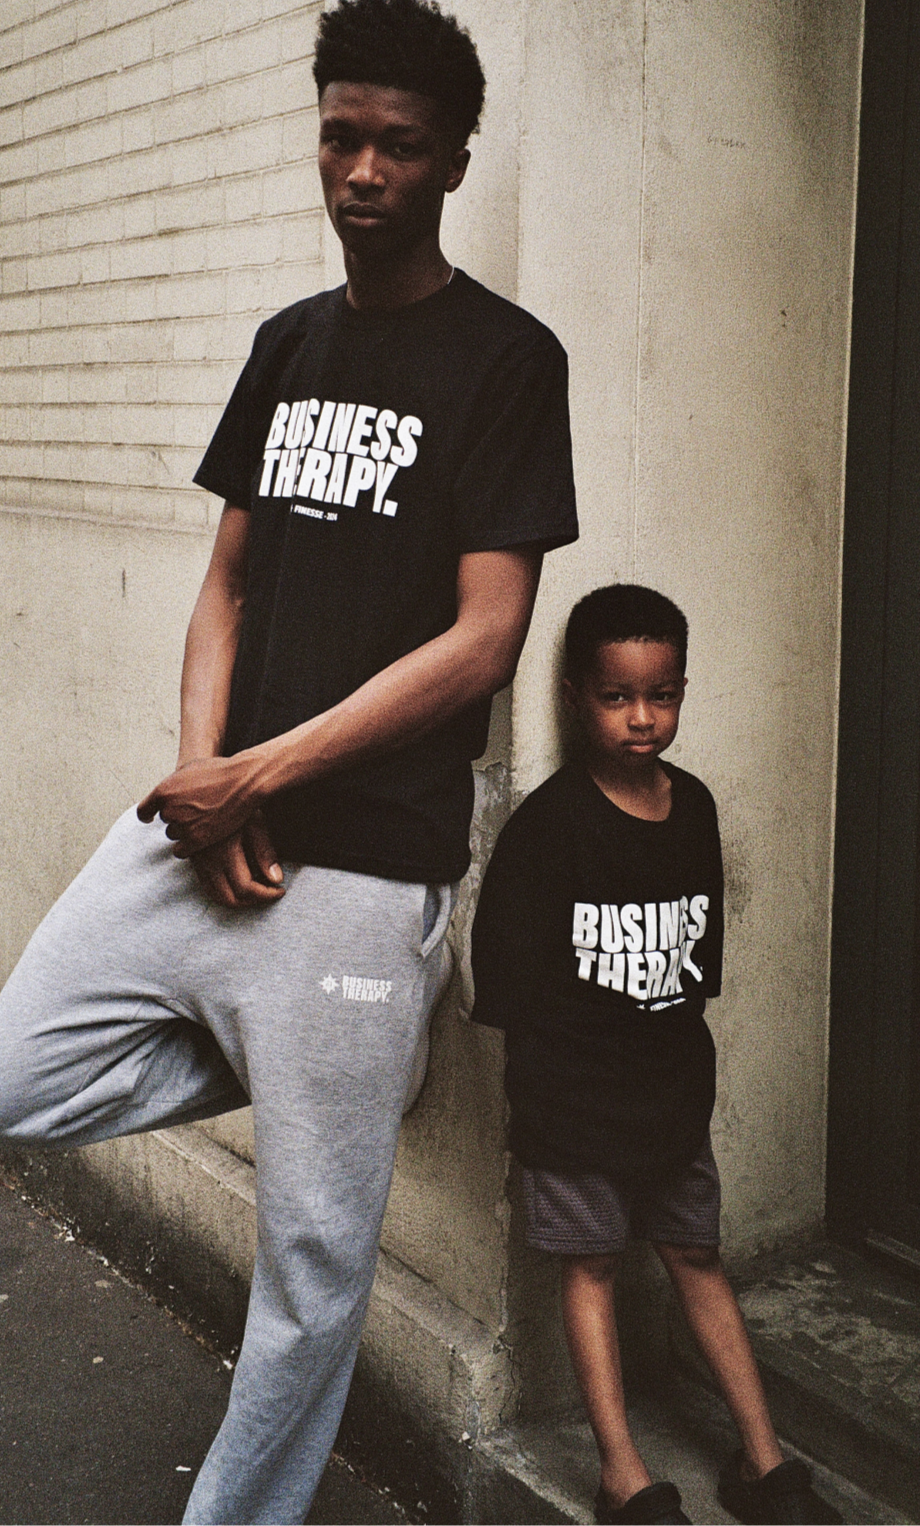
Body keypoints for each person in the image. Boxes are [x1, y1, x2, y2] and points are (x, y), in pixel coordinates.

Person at [0, 2, 577, 1522]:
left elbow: (485, 636)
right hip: (208, 836)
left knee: (313, 1277)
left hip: (365, 865)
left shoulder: (510, 360)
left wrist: (259, 778)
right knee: (15, 1066)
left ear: (455, 156)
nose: (363, 169)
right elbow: (228, 583)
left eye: (397, 143)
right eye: (341, 135)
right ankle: (319, 1067)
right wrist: (203, 776)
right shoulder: (286, 345)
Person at [470, 585, 843, 1526]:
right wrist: (561, 1100)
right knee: (590, 1265)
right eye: (617, 697)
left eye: (663, 694)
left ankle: (762, 1461)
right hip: (575, 1110)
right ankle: (623, 1473)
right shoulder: (547, 831)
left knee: (696, 1255)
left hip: (672, 1102)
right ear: (573, 695)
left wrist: (670, 1088)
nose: (644, 718)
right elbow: (505, 989)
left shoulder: (697, 809)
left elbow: (691, 972)